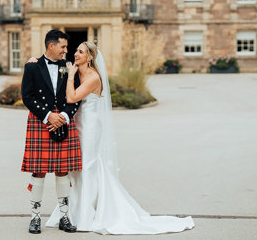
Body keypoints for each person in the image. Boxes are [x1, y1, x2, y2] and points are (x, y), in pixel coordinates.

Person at [28, 41, 195, 234]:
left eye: (80, 52)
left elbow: (72, 98)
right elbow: (50, 67)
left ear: (90, 57)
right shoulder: (72, 69)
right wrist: (33, 61)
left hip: (90, 125)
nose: (75, 54)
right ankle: (71, 211)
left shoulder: (92, 77)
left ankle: (85, 214)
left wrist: (71, 75)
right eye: (76, 51)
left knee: (88, 166)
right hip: (76, 124)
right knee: (75, 168)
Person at [20, 29, 83, 234]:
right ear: (51, 46)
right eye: (63, 47)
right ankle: (35, 218)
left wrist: (63, 116)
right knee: (38, 171)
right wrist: (49, 116)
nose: (66, 51)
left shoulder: (69, 67)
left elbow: (76, 96)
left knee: (62, 169)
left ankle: (64, 217)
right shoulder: (32, 67)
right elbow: (27, 97)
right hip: (42, 120)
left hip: (63, 119)